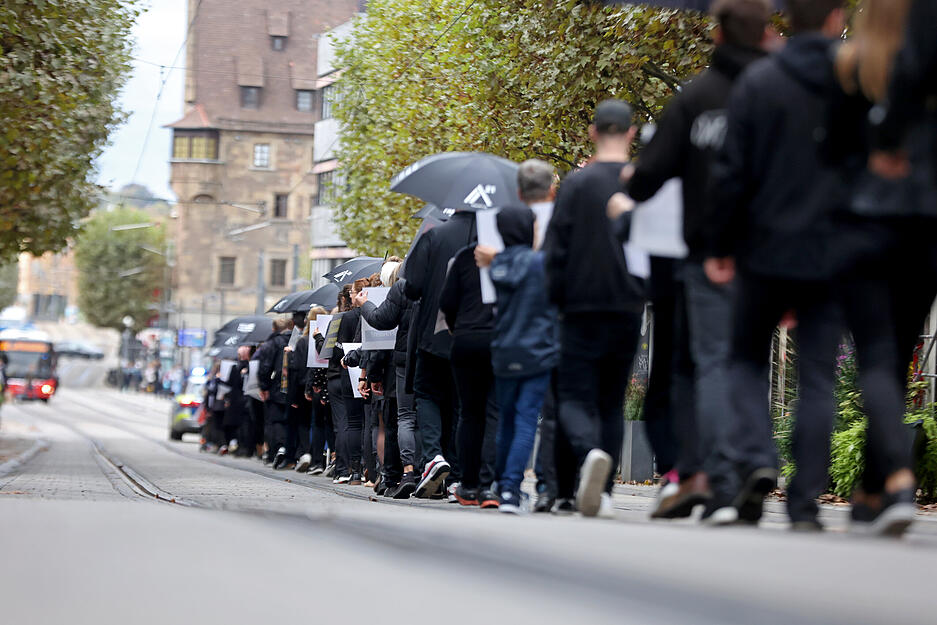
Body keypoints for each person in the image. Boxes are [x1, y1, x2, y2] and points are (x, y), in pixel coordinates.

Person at [608, 0, 773, 522]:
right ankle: (757, 460)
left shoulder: (697, 98)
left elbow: (652, 174)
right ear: (766, 31)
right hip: (774, 252)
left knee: (709, 364)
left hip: (708, 255)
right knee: (750, 359)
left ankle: (717, 476)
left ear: (718, 34)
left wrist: (631, 186)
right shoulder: (782, 91)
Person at [707, 0, 847, 529]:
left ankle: (756, 456)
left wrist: (721, 245)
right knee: (817, 375)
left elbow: (732, 173)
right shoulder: (855, 81)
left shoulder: (759, 82)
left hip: (764, 247)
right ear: (837, 17)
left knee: (744, 359)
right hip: (830, 247)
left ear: (787, 17)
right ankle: (805, 501)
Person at [822, 0, 937, 535]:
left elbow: (832, 154)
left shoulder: (852, 66)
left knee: (876, 356)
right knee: (897, 355)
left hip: (866, 222)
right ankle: (871, 491)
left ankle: (896, 478)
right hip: (927, 224)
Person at [542, 99, 645, 518]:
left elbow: (555, 252)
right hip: (628, 305)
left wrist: (553, 300)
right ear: (632, 133)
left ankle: (588, 455)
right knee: (610, 400)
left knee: (573, 395)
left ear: (592, 133)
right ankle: (603, 493)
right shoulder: (641, 183)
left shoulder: (575, 186)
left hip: (579, 306)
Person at [480, 205, 559, 514]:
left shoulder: (495, 266)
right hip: (536, 351)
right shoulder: (540, 263)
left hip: (504, 350)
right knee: (526, 420)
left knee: (506, 421)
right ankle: (511, 489)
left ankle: (502, 485)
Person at [404, 205, 478, 498]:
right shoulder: (492, 237)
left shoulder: (434, 235)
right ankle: (459, 475)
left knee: (427, 394)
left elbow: (412, 288)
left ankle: (433, 456)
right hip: (476, 331)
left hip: (434, 334)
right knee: (464, 404)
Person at [440, 227, 500, 508]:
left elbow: (447, 302)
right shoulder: (511, 256)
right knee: (494, 412)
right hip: (499, 338)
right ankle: (489, 485)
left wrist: (457, 327)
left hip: (466, 338)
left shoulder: (464, 257)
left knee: (469, 412)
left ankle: (469, 484)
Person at [355, 258, 422, 499]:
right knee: (425, 417)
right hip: (430, 356)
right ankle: (428, 471)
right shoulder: (431, 285)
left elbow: (378, 332)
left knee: (398, 420)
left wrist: (370, 374)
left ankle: (401, 473)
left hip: (398, 365)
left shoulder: (397, 293)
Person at [258, 316, 294, 470]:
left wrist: (264, 387)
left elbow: (265, 367)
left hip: (276, 387)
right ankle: (291, 452)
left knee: (275, 420)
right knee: (292, 420)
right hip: (294, 386)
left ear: (274, 329)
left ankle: (277, 449)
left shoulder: (271, 344)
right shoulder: (295, 340)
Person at [305, 306, 334, 475]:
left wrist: (312, 386)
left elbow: (315, 366)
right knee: (330, 424)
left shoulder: (314, 336)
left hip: (320, 385)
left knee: (318, 424)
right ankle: (333, 459)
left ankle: (317, 461)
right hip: (330, 382)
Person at [286, 311, 314, 472]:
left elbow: (296, 369)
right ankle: (319, 457)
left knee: (304, 422)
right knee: (321, 423)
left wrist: (294, 396)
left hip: (303, 387)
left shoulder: (303, 341)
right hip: (321, 386)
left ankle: (306, 452)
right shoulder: (324, 340)